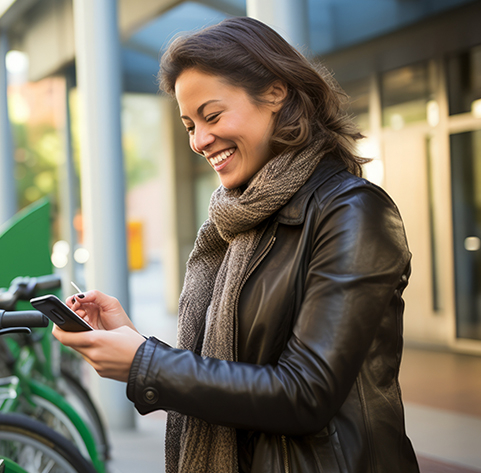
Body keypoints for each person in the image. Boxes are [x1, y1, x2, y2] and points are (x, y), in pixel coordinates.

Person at [52, 16, 419, 473]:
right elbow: (236, 369)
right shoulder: (238, 220)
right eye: (189, 125)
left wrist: (148, 364)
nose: (200, 140)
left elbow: (306, 394)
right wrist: (137, 343)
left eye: (212, 115)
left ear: (275, 92)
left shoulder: (351, 212)